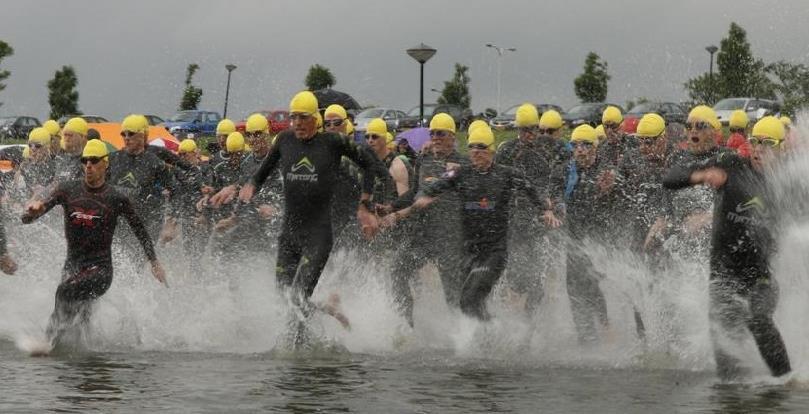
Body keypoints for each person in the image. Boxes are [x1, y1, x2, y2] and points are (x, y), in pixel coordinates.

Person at [210, 91, 386, 335]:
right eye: (294, 118)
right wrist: (246, 187)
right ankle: (322, 315)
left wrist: (365, 204)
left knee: (298, 297)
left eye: (303, 118)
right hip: (289, 235)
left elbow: (370, 165)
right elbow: (261, 173)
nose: (298, 123)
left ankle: (302, 353)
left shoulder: (333, 143)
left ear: (316, 118)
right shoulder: (284, 141)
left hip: (318, 236)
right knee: (285, 298)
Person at [383, 125, 560, 321]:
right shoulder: (460, 173)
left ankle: (490, 333)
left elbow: (531, 190)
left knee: (468, 300)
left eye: (481, 147)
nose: (476, 152)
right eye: (472, 147)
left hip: (494, 251)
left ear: (491, 150)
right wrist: (425, 196)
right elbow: (435, 185)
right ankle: (486, 333)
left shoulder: (507, 173)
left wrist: (547, 210)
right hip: (468, 250)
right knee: (466, 300)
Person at [663, 116, 791, 379]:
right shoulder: (731, 165)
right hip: (724, 276)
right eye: (754, 142)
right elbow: (670, 178)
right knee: (726, 360)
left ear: (781, 148)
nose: (758, 149)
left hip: (762, 277)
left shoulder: (786, 185)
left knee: (759, 319)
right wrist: (701, 175)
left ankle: (786, 382)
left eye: (767, 144)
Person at [21, 139, 166, 351]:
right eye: (85, 160)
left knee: (64, 292)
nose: (88, 165)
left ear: (105, 164)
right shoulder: (67, 190)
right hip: (73, 265)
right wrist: (30, 213)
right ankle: (86, 359)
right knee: (79, 313)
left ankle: (46, 344)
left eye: (94, 160)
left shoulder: (116, 197)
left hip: (101, 270)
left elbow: (140, 230)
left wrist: (153, 261)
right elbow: (30, 216)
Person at [386, 113, 468, 327]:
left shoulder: (463, 163)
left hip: (449, 234)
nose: (435, 137)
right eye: (432, 133)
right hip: (422, 233)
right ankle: (406, 324)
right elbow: (415, 190)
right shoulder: (425, 158)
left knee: (452, 290)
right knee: (397, 270)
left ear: (452, 136)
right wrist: (391, 207)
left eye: (440, 133)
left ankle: (465, 335)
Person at [495, 103, 563, 318]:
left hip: (538, 221)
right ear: (518, 130)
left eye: (532, 130)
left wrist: (551, 207)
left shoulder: (547, 151)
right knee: (514, 276)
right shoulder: (507, 151)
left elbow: (554, 183)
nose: (528, 135)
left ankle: (529, 322)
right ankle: (512, 315)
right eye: (524, 130)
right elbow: (497, 179)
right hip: (513, 221)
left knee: (537, 278)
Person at [563, 125, 612, 344]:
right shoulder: (567, 170)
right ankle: (586, 340)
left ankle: (607, 330)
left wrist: (606, 191)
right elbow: (554, 192)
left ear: (595, 148)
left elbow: (617, 195)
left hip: (597, 241)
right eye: (575, 145)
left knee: (592, 286)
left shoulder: (605, 170)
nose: (580, 149)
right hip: (573, 240)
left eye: (586, 145)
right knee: (574, 289)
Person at [19, 127, 55, 199]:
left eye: (37, 146)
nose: (33, 149)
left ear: (47, 147)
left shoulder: (55, 166)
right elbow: (17, 189)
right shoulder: (26, 166)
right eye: (30, 145)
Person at [53, 117, 89, 183]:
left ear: (83, 137)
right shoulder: (60, 157)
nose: (66, 139)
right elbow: (55, 183)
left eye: (70, 135)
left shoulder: (89, 160)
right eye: (65, 135)